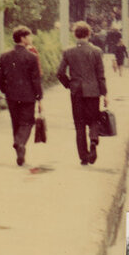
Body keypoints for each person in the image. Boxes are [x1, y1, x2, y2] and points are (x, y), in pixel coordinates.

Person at [56, 21, 108, 165]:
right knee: (93, 120)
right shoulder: (96, 51)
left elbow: (60, 73)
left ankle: (83, 157)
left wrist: (69, 85)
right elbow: (100, 75)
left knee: (79, 125)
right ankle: (93, 140)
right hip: (93, 92)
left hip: (76, 92)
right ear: (89, 34)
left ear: (75, 34)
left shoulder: (68, 51)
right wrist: (105, 94)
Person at [0, 26, 42, 167]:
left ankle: (20, 152)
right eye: (29, 36)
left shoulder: (4, 56)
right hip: (28, 96)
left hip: (11, 95)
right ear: (22, 38)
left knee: (15, 123)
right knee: (27, 122)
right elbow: (35, 79)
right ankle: (20, 143)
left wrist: (5, 90)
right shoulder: (31, 57)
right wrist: (39, 97)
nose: (31, 38)